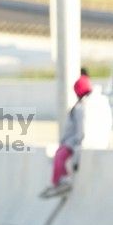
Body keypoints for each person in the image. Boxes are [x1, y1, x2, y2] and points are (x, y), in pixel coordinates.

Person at [41, 70, 94, 198]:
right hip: (69, 141)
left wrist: (76, 147)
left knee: (59, 157)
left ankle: (60, 181)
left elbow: (80, 130)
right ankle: (59, 180)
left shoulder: (80, 108)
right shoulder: (79, 107)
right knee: (58, 156)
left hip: (72, 143)